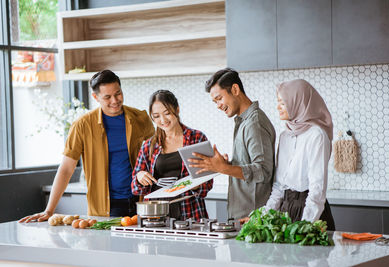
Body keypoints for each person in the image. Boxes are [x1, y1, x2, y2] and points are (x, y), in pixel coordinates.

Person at [19, 70, 154, 222]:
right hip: (106, 207)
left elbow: (158, 153)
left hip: (142, 201)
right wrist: (49, 210)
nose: (115, 100)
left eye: (118, 93)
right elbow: (66, 169)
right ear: (95, 97)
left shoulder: (139, 118)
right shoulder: (82, 125)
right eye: (107, 97)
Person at [188, 68, 276, 219]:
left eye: (219, 98)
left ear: (235, 89)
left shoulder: (254, 124)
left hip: (253, 217)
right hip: (244, 216)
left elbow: (263, 171)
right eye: (215, 102)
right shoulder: (243, 122)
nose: (218, 105)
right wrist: (226, 164)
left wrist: (224, 168)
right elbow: (249, 165)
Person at [262, 79, 335, 230]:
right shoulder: (285, 136)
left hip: (310, 212)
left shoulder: (317, 135)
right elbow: (279, 186)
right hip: (285, 209)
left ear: (298, 102)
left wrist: (305, 226)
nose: (278, 107)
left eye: (283, 103)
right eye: (278, 102)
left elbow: (317, 189)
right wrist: (263, 218)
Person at [132, 90, 213, 221]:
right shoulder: (148, 145)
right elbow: (135, 188)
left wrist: (196, 185)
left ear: (177, 110)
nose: (163, 120)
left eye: (167, 113)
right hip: (156, 214)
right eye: (156, 116)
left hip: (190, 211)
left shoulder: (197, 138)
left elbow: (208, 182)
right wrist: (139, 177)